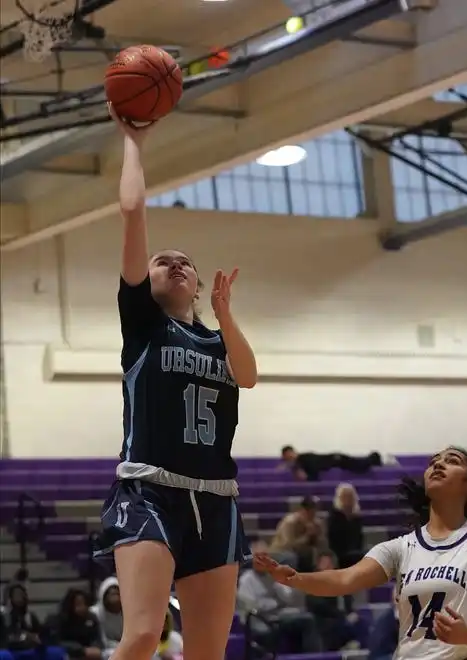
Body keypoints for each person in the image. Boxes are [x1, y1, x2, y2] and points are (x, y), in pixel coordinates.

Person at [93, 105, 258, 660]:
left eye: (186, 262)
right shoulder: (142, 323)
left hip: (216, 499)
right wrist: (133, 141)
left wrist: (225, 314)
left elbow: (250, 376)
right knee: (142, 636)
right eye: (164, 261)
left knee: (208, 653)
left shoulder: (217, 340)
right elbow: (134, 211)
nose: (176, 265)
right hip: (150, 491)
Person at [256, 447, 467, 660]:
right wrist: (294, 578)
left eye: (451, 460)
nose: (438, 464)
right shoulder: (400, 547)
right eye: (433, 462)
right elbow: (345, 579)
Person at [270, 495, 328, 572]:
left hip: (302, 553)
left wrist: (317, 536)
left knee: (319, 556)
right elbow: (288, 545)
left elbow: (323, 544)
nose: (310, 514)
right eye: (307, 510)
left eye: (313, 511)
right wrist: (307, 536)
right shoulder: (290, 522)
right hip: (281, 551)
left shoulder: (317, 523)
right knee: (291, 558)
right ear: (301, 510)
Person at [280, 445, 382, 481]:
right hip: (336, 460)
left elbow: (314, 473)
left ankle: (375, 457)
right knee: (359, 465)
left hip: (336, 460)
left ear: (290, 452)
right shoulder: (302, 460)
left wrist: (306, 477)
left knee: (360, 466)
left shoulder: (304, 459)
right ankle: (374, 458)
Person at [327, 483, 364, 569]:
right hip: (339, 551)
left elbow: (359, 537)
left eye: (350, 496)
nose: (348, 499)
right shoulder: (334, 515)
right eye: (345, 496)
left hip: (355, 550)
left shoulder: (356, 516)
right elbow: (332, 538)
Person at [89, 578, 122, 657]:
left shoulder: (129, 612)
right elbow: (100, 639)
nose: (115, 597)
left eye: (117, 594)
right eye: (112, 594)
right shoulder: (95, 613)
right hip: (105, 649)